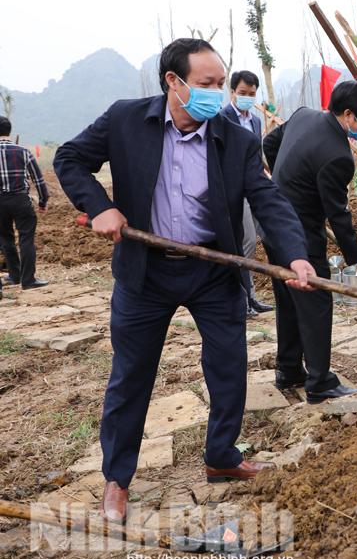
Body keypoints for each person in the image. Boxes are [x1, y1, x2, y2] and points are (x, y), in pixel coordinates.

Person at [53, 38, 315, 523]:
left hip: (212, 269)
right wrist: (100, 206)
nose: (218, 93)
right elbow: (69, 159)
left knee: (229, 364)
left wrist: (296, 256)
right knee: (132, 374)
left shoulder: (235, 138)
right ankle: (117, 478)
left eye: (221, 83)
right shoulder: (126, 120)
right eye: (207, 84)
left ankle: (221, 455)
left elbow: (267, 198)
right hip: (145, 270)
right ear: (173, 82)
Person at [262, 81, 357, 399]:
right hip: (300, 235)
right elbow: (338, 217)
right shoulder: (338, 155)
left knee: (288, 296)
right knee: (315, 300)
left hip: (271, 222)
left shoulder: (303, 115)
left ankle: (288, 370)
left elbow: (270, 144)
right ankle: (319, 382)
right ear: (348, 115)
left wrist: (282, 182)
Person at [220, 70, 273, 316]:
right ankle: (241, 298)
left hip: (252, 187)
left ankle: (249, 297)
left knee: (252, 242)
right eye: (242, 93)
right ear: (232, 92)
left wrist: (267, 173)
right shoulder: (221, 119)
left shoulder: (255, 120)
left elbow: (255, 154)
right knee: (247, 241)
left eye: (252, 94)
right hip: (234, 190)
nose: (247, 98)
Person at [0, 115, 49, 293]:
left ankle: (14, 275)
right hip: (21, 200)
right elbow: (39, 180)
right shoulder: (23, 151)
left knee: (5, 239)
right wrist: (43, 201)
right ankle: (28, 280)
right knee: (26, 239)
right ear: (9, 131)